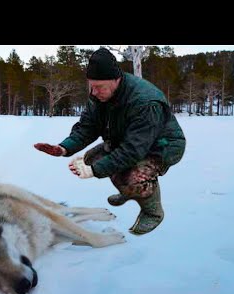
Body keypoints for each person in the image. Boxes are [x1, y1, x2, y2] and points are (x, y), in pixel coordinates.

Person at [34, 47, 186, 235]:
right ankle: (128, 191)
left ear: (117, 79)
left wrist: (95, 171)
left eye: (99, 87)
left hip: (162, 146)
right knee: (92, 159)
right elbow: (87, 127)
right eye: (92, 86)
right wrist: (64, 148)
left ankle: (152, 211)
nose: (94, 92)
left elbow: (133, 150)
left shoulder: (145, 103)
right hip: (128, 140)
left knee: (128, 177)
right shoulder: (99, 96)